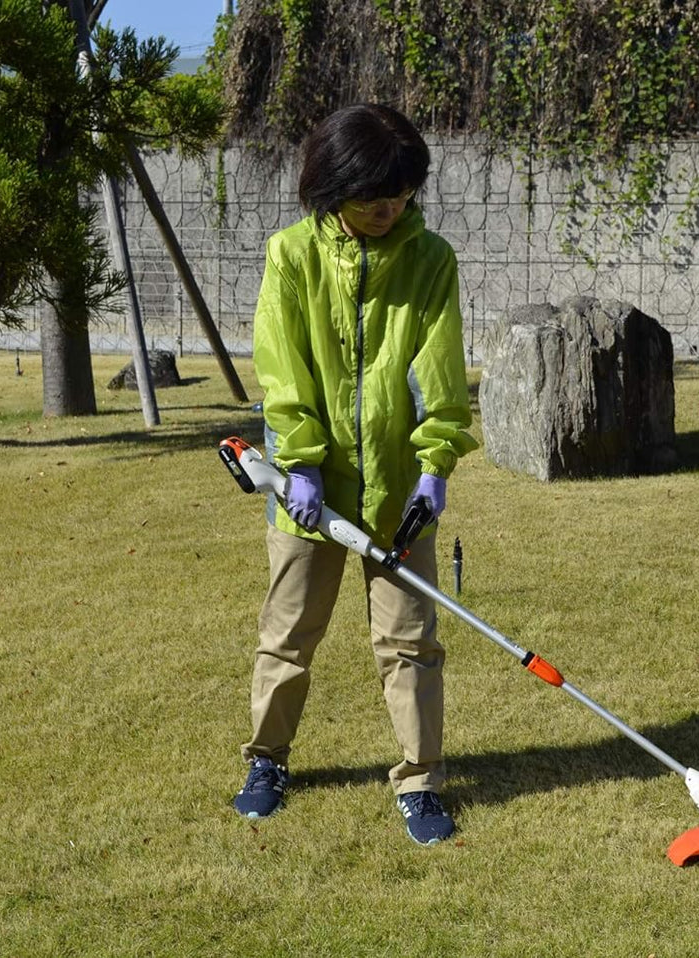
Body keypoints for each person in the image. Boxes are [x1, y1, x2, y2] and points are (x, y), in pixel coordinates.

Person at [234, 103, 479, 846]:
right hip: (306, 493)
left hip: (398, 493)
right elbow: (282, 370)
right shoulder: (291, 256)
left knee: (409, 640)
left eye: (402, 195)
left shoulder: (430, 259)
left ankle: (420, 777)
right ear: (332, 185)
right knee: (288, 634)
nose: (389, 210)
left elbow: (438, 374)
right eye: (375, 195)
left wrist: (433, 466)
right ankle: (266, 761)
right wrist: (300, 463)